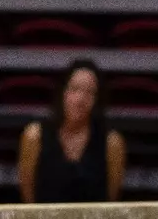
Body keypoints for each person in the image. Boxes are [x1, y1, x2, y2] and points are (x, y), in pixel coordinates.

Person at [18, 59, 125, 203]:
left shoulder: (112, 143)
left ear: (97, 100)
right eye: (74, 89)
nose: (81, 99)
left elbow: (110, 200)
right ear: (63, 92)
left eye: (90, 92)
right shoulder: (34, 136)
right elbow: (28, 200)